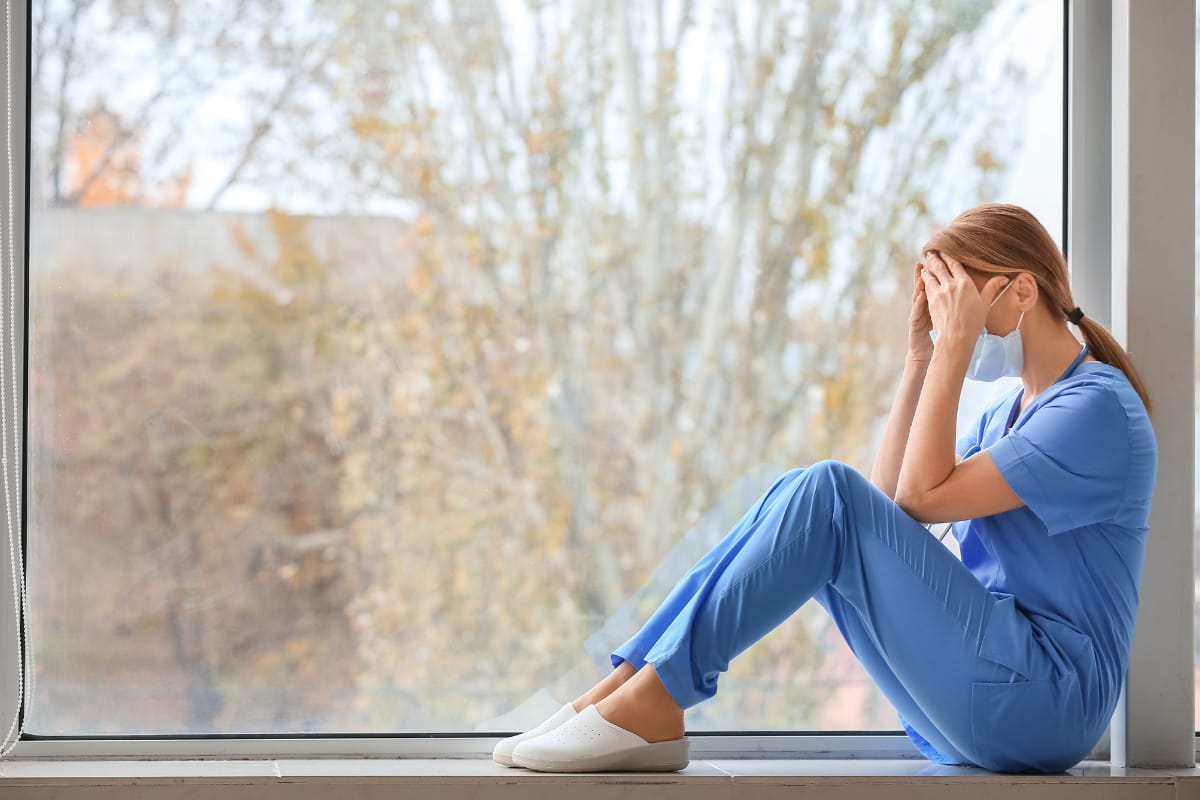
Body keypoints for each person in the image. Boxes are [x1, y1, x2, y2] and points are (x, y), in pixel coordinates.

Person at [491, 203, 1158, 775]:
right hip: (1001, 687)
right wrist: (921, 356)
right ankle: (629, 685)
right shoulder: (1009, 412)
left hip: (1046, 703)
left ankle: (654, 701)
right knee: (805, 492)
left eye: (959, 302)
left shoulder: (1094, 409)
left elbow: (916, 499)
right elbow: (893, 510)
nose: (956, 324)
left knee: (825, 493)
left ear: (1019, 292)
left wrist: (953, 353)